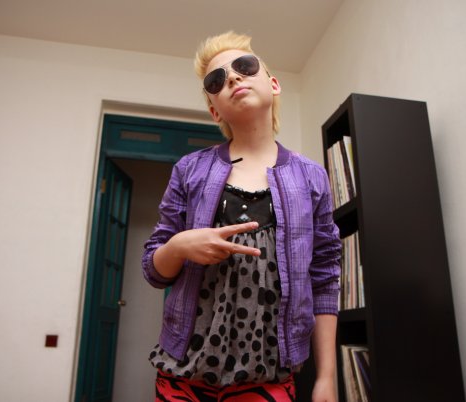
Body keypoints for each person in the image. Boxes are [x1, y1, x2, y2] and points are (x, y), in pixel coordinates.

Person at [142, 31, 342, 402]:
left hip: (270, 377)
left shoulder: (312, 176)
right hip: (182, 375)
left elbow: (325, 278)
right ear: (215, 110)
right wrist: (181, 245)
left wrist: (327, 376)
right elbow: (153, 270)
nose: (233, 77)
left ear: (274, 84)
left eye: (245, 67)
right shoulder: (189, 170)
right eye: (216, 81)